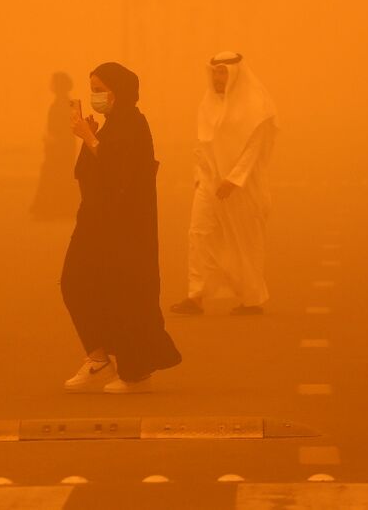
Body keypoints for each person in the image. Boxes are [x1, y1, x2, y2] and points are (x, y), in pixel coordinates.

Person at [61, 62, 181, 394]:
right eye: (92, 90)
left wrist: (92, 140)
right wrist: (91, 138)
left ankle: (135, 371)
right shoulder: (111, 125)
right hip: (95, 222)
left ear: (121, 91)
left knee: (126, 294)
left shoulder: (134, 124)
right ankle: (97, 356)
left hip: (124, 230)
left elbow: (123, 176)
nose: (96, 96)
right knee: (74, 281)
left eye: (101, 89)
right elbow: (88, 174)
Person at [170, 51, 278, 317]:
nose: (218, 78)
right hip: (209, 182)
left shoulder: (257, 105)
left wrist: (234, 179)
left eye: (223, 72)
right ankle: (196, 296)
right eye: (215, 72)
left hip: (244, 187)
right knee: (198, 234)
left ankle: (251, 298)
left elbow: (255, 148)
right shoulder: (208, 103)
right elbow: (201, 144)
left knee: (244, 241)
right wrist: (199, 178)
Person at [30, 72, 79, 220]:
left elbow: (68, 127)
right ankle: (64, 208)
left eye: (53, 83)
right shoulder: (71, 103)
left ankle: (53, 209)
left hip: (60, 147)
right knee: (63, 175)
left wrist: (53, 140)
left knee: (56, 174)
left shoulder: (62, 104)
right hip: (64, 146)